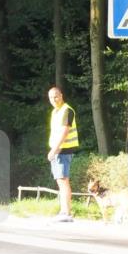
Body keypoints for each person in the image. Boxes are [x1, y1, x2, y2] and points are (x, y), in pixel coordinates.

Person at [46, 86, 79, 222]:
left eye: (56, 96)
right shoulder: (55, 111)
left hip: (63, 150)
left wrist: (54, 149)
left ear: (61, 95)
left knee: (63, 181)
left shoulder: (67, 110)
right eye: (51, 97)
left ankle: (66, 213)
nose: (53, 99)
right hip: (58, 150)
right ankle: (63, 211)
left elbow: (65, 132)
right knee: (60, 181)